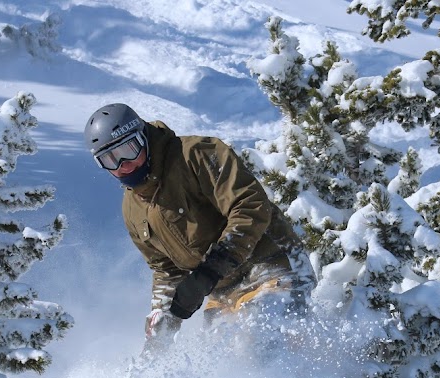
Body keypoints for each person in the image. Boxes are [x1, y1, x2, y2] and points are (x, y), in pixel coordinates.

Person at [83, 103, 311, 349]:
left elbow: (250, 206)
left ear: (144, 137)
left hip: (272, 263)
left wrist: (211, 270)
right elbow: (165, 268)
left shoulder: (196, 155)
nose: (123, 165)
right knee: (223, 367)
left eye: (128, 150)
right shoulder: (133, 209)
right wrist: (163, 322)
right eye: (110, 160)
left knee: (262, 346)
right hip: (222, 291)